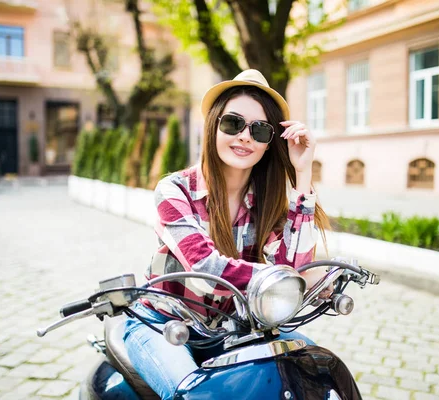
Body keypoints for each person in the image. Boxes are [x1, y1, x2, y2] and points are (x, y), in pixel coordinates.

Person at [123, 69, 330, 400]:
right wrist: (283, 278)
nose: (245, 136)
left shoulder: (266, 200)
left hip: (233, 329)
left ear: (268, 144)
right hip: (164, 325)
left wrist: (302, 173)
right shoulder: (176, 190)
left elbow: (292, 264)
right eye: (234, 123)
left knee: (317, 376)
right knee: (194, 396)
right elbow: (207, 269)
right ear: (213, 127)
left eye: (260, 130)